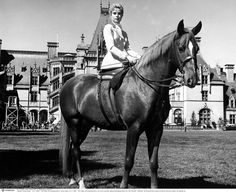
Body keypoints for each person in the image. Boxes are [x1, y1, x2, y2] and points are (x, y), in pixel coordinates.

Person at [101, 3, 141, 71]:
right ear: (111, 15)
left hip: (123, 62)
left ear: (122, 16)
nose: (117, 16)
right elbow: (111, 47)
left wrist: (139, 57)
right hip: (111, 63)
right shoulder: (108, 28)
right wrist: (127, 57)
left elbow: (128, 49)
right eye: (114, 13)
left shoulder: (124, 33)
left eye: (119, 13)